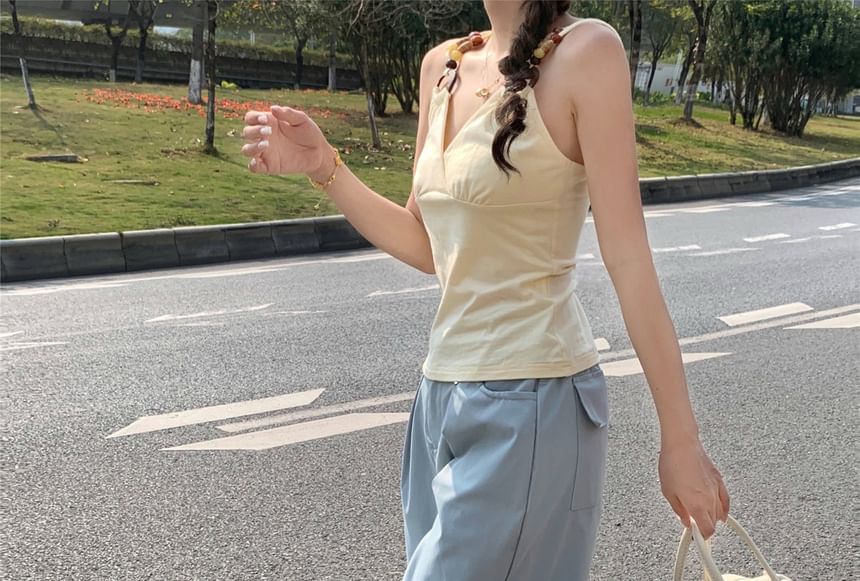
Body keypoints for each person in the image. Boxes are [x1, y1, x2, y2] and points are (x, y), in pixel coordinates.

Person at [241, 1, 730, 579]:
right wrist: (326, 167)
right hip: (439, 396)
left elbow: (629, 260)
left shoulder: (587, 52)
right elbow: (429, 245)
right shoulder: (443, 65)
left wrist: (681, 440)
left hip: (534, 400)